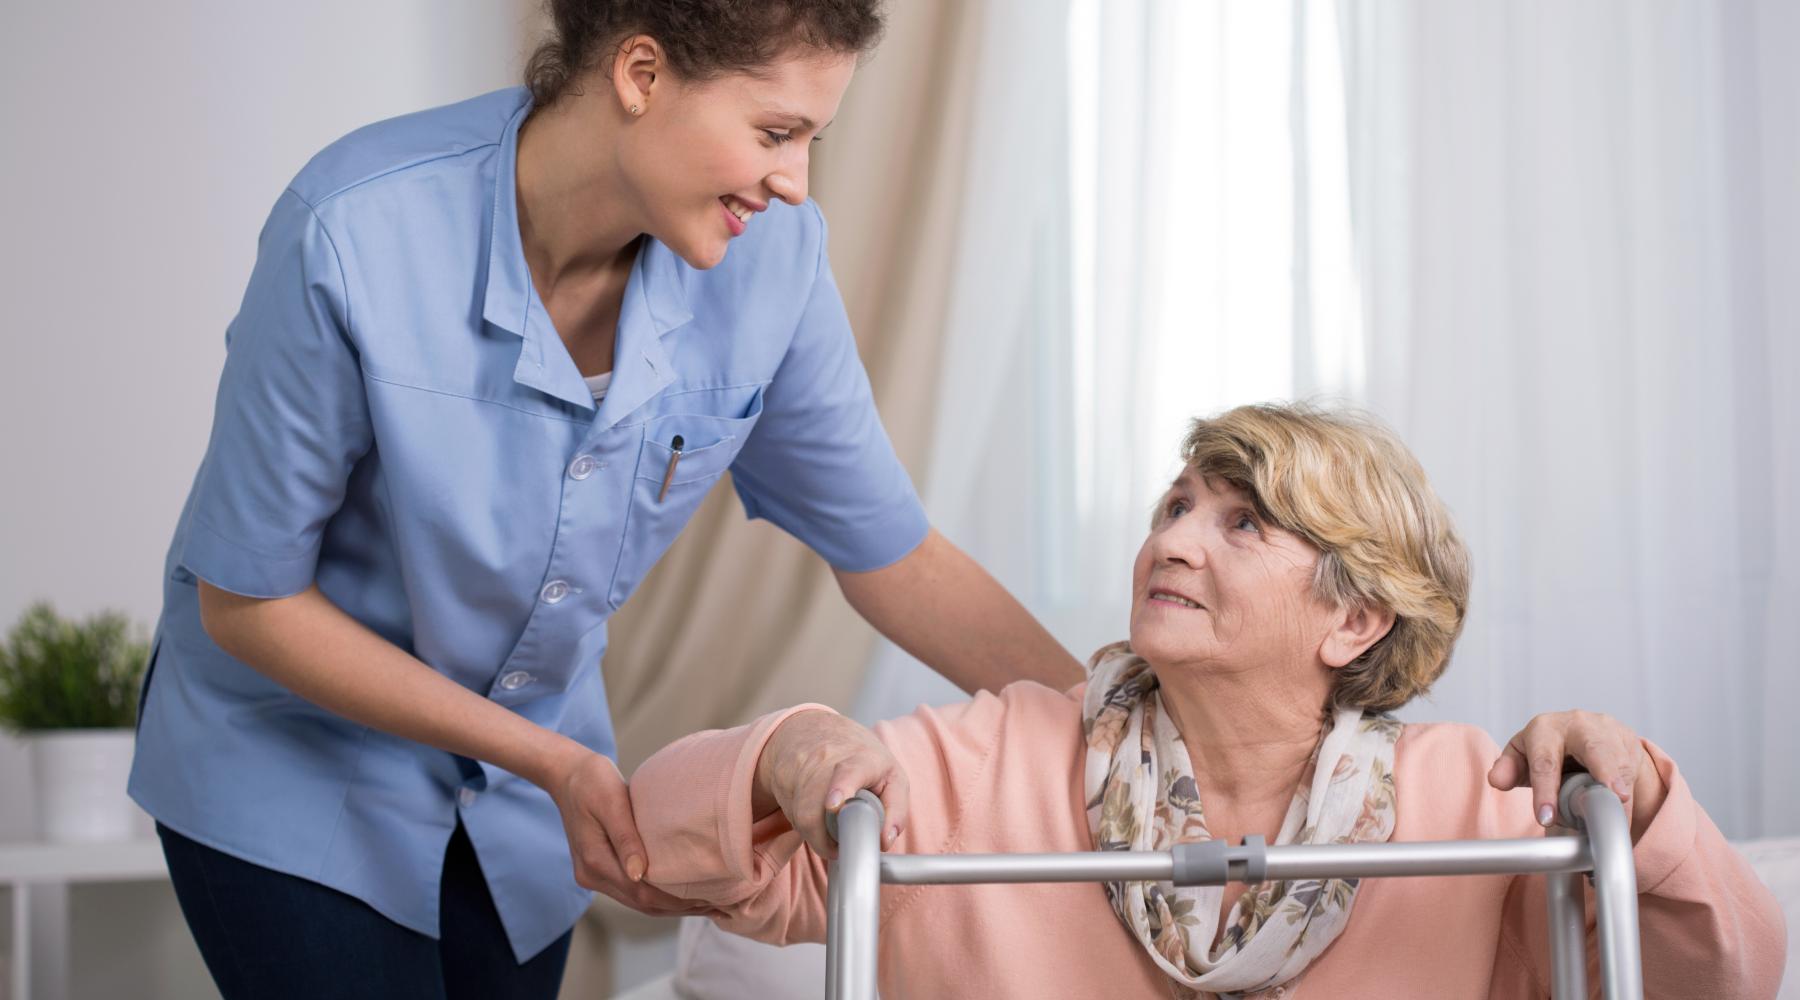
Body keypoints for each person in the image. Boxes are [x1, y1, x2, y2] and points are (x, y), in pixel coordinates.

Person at [127, 2, 1080, 997]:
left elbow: (896, 555)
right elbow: (247, 601)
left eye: (812, 140)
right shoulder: (354, 231)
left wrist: (1125, 721)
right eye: (774, 132)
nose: (794, 182)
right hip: (294, 772)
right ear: (640, 74)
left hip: (521, 807)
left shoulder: (773, 267)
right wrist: (550, 760)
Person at [630, 403, 1787, 998]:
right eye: (1173, 505)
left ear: (1354, 619)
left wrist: (1632, 805)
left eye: (1241, 522)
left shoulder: (1476, 798)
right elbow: (660, 850)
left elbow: (1722, 975)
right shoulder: (986, 760)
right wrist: (787, 750)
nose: (1173, 539)